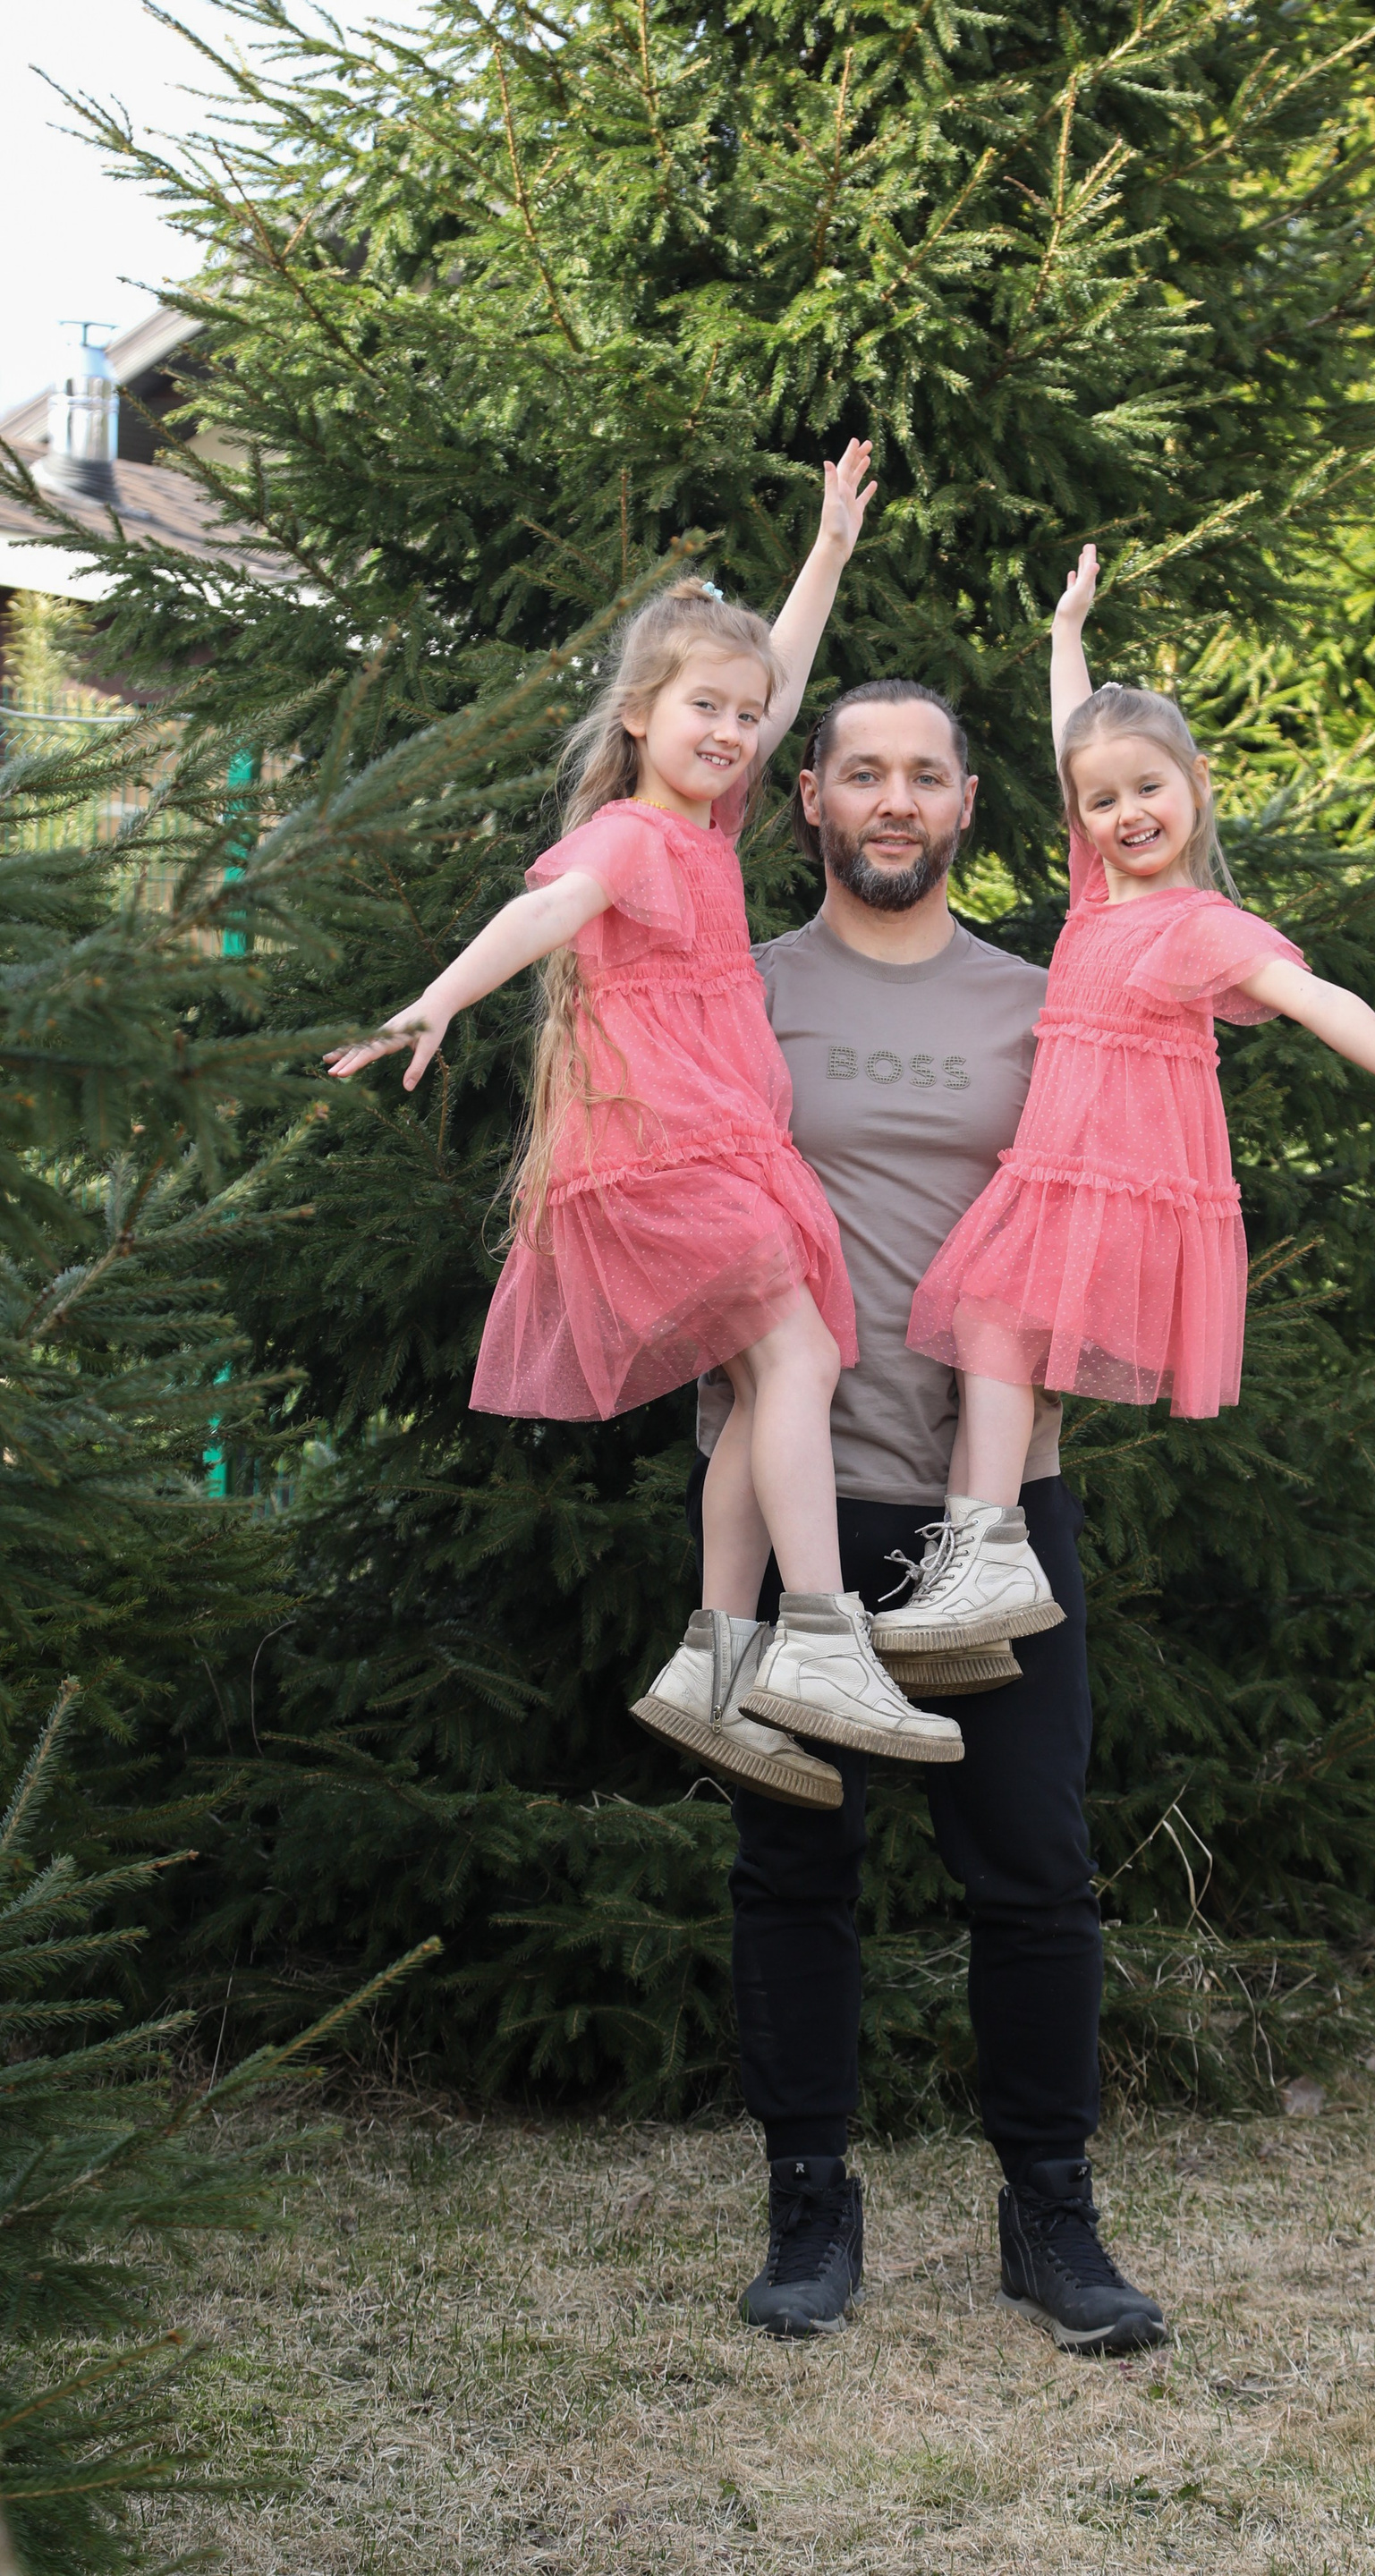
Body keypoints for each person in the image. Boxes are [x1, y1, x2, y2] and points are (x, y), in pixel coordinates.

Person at [326, 443, 962, 1811]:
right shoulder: (629, 836)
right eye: (702, 710)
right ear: (637, 716)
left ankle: (715, 1666)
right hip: (662, 1150)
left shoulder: (710, 825)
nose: (732, 732)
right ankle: (822, 1640)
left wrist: (829, 553)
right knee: (799, 1356)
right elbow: (542, 913)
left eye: (744, 716)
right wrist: (437, 1002)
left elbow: (782, 669)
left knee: (767, 1383)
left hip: (716, 1141)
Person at [692, 675, 1171, 2352]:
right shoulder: (738, 992)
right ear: (810, 799)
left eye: (925, 775)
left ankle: (1052, 2217)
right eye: (862, 772)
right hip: (797, 1505)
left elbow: (1108, 1219)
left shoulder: (1046, 1006)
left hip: (994, 1520)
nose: (893, 799)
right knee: (793, 1863)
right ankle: (807, 2209)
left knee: (1035, 1871)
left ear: (969, 805)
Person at [878, 546, 1375, 1650]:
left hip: (1121, 1185)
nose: (1127, 813)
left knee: (990, 1327)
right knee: (997, 1342)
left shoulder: (1203, 926)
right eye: (1102, 802)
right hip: (1062, 1178)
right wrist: (1067, 632)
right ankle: (984, 1561)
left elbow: (1319, 999)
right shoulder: (1098, 892)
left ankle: (984, 1559)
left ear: (1197, 783)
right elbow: (1074, 737)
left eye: (1149, 790)